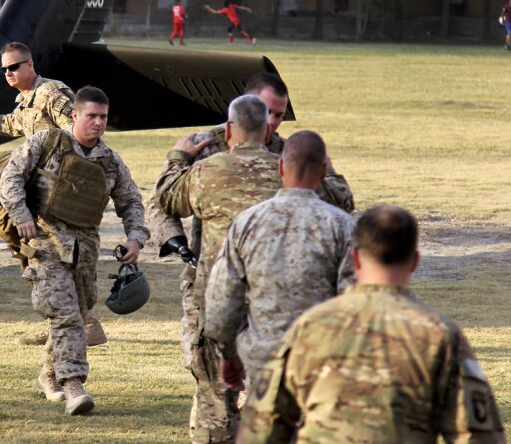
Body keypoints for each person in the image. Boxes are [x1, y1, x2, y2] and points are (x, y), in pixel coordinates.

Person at [144, 73, 352, 442]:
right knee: (214, 393)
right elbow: (160, 204)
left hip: (266, 298)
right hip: (211, 288)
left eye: (280, 115)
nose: (273, 122)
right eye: (269, 113)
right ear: (245, 112)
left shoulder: (287, 157)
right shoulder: (204, 150)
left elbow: (336, 202)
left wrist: (322, 169)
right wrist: (178, 245)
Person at [237, 206, 508, 444]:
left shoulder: (309, 327)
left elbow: (263, 425)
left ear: (354, 258)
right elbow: (477, 433)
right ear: (415, 260)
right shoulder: (439, 334)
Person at [0, 86, 149, 415]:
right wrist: (21, 216)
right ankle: (73, 384)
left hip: (85, 248)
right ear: (75, 115)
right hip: (45, 240)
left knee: (78, 315)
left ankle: (48, 375)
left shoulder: (109, 161)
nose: (98, 123)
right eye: (91, 116)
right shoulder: (47, 143)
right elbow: (10, 178)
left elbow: (130, 200)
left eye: (103, 117)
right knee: (64, 311)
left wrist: (135, 237)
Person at [154, 94, 281, 444]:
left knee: (215, 394)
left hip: (216, 300)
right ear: (268, 130)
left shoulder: (207, 172)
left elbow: (165, 198)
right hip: (270, 305)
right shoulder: (285, 171)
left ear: (228, 130)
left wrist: (179, 157)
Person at [0, 42, 107, 347]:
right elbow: (6, 124)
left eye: (14, 67)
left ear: (30, 65)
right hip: (41, 191)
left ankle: (87, 323)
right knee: (39, 252)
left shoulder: (51, 94)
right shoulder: (26, 102)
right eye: (4, 69)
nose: (8, 73)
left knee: (66, 255)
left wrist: (65, 176)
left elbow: (80, 131)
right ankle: (58, 322)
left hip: (62, 191)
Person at [204, 130, 355, 392]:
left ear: (281, 166)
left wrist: (227, 353)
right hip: (321, 369)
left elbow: (222, 299)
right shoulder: (342, 226)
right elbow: (356, 303)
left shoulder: (247, 223)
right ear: (323, 173)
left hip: (263, 366)